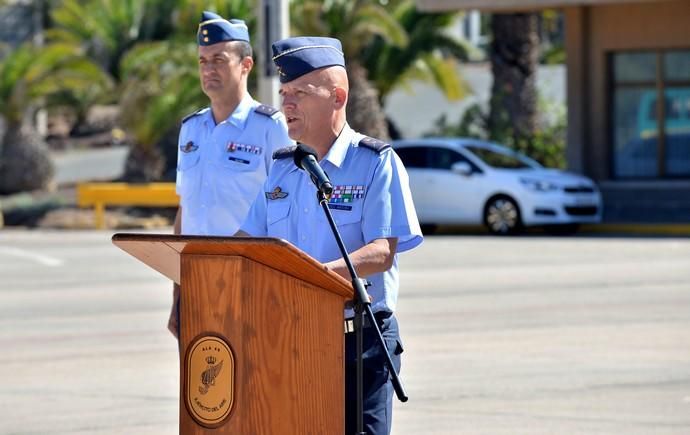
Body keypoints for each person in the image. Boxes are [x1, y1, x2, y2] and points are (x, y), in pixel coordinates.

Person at [237, 36, 423, 435]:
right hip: (292, 336)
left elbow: (381, 252)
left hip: (359, 343)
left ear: (337, 97)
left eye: (300, 93)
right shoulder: (283, 169)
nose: (286, 104)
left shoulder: (375, 163)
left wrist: (314, 276)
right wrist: (201, 258)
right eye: (284, 92)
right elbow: (246, 243)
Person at [168, 11, 292, 337]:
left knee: (251, 381)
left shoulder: (269, 127)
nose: (209, 69)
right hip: (198, 282)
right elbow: (186, 211)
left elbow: (287, 208)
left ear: (245, 65)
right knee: (203, 382)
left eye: (219, 60)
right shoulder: (191, 130)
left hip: (251, 281)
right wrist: (177, 292)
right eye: (203, 61)